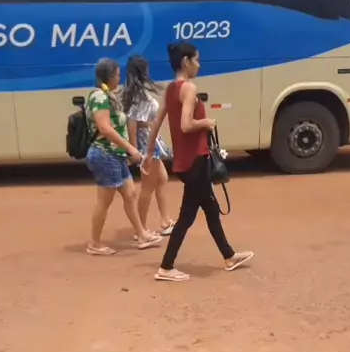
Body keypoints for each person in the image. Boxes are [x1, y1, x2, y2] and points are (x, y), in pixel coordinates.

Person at [144, 43, 253, 282]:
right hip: (195, 162)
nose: (199, 65)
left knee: (210, 210)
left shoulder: (171, 89)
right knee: (187, 217)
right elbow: (186, 125)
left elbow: (157, 122)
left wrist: (149, 152)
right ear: (186, 61)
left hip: (185, 163)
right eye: (197, 60)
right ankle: (166, 267)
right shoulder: (188, 88)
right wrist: (206, 123)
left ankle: (229, 256)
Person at [85, 58, 162, 256]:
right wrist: (130, 148)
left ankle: (141, 234)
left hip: (114, 155)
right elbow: (104, 128)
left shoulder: (107, 96)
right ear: (110, 76)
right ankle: (94, 243)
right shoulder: (99, 97)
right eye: (117, 75)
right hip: (105, 154)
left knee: (130, 194)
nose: (120, 78)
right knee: (104, 200)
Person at [121, 55, 174, 237]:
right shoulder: (139, 95)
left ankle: (165, 220)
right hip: (146, 143)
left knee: (162, 179)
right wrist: (134, 149)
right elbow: (132, 122)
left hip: (149, 141)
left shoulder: (135, 92)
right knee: (148, 186)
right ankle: (141, 229)